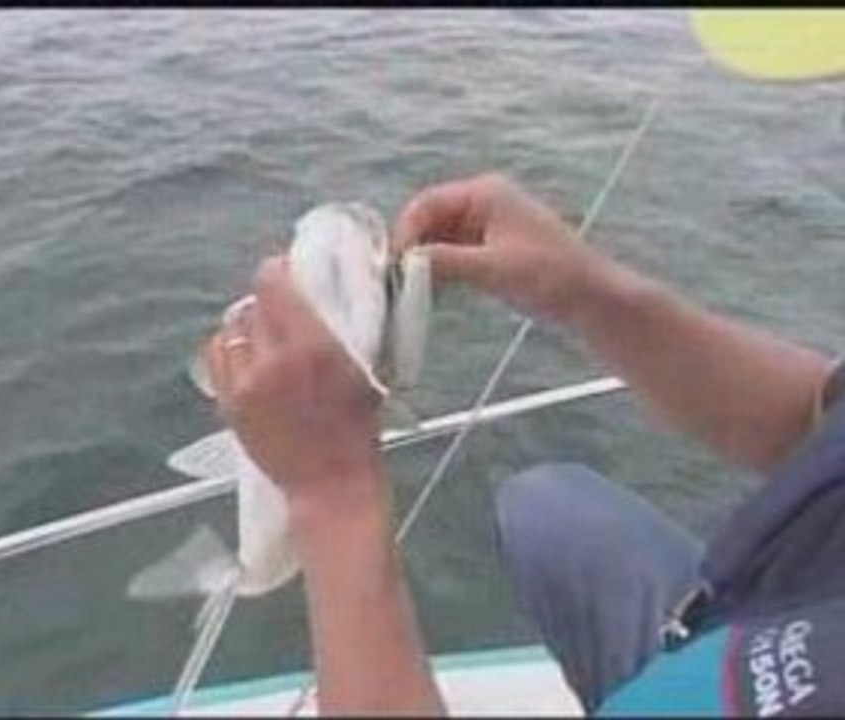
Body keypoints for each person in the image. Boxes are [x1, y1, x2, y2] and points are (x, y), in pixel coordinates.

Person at [201, 14, 845, 714]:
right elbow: (818, 425)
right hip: (757, 615)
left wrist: (334, 496)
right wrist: (589, 292)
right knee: (547, 505)